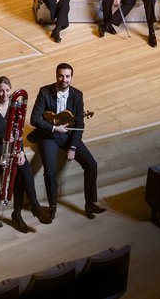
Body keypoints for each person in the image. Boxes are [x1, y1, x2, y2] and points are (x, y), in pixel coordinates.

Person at [29, 63, 103, 221]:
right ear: (56, 76)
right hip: (49, 136)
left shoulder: (77, 95)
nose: (64, 79)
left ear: (71, 77)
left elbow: (80, 124)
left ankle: (90, 204)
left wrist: (73, 146)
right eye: (61, 76)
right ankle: (52, 207)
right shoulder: (45, 91)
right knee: (50, 172)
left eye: (67, 76)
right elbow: (34, 118)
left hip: (69, 136)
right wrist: (54, 129)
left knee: (91, 165)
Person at [0, 76, 44, 232]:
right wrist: (4, 138)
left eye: (7, 90)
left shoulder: (13, 105)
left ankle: (23, 210)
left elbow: (18, 131)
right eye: (1, 90)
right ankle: (29, 208)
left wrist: (21, 150)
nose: (4, 94)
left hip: (11, 147)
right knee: (17, 164)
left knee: (21, 164)